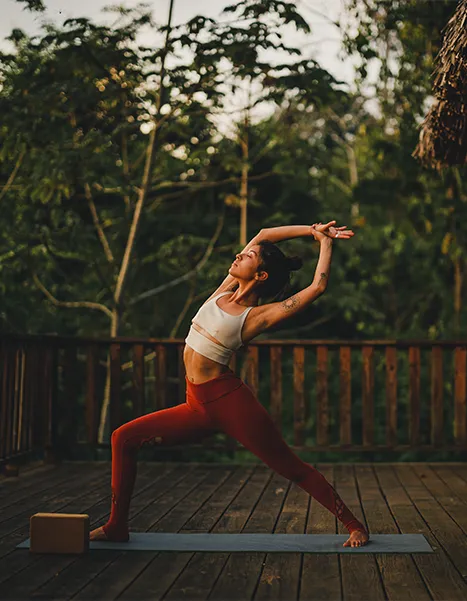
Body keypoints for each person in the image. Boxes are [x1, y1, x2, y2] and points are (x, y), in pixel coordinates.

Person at [90, 220, 369, 548]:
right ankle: (116, 527)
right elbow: (264, 235)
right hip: (195, 404)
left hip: (229, 403)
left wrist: (326, 243)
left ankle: (354, 526)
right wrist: (312, 230)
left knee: (291, 468)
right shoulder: (224, 290)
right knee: (122, 438)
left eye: (249, 256)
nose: (240, 254)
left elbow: (316, 288)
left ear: (260, 275)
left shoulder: (255, 316)